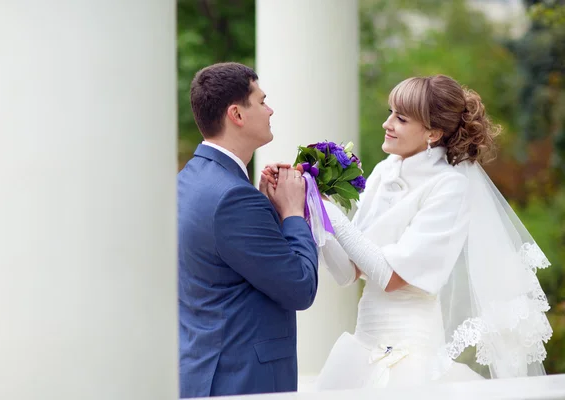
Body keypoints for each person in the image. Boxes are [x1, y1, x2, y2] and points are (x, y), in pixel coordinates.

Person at [263, 75, 552, 389]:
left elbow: (392, 277)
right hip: (363, 346)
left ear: (433, 132)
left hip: (411, 354)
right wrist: (310, 212)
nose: (387, 123)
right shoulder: (385, 171)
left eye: (400, 118)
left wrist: (327, 210)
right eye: (390, 113)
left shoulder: (450, 186)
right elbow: (348, 272)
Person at [177, 62, 319, 398]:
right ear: (237, 115)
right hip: (243, 381)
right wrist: (292, 212)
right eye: (261, 101)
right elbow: (300, 286)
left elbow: (226, 262)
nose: (270, 110)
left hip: (203, 371)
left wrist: (265, 206)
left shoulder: (189, 180)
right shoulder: (233, 197)